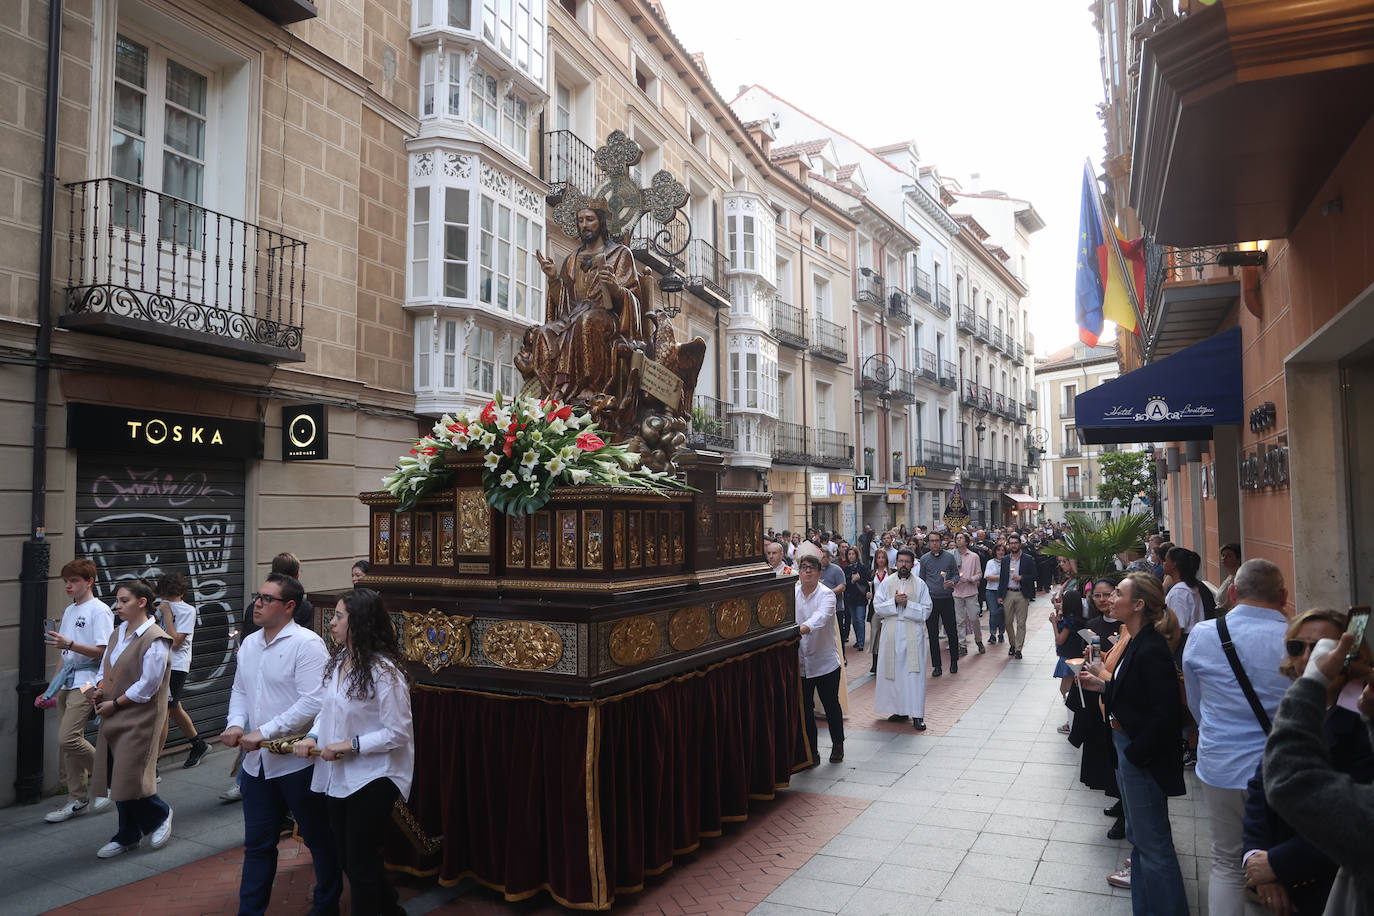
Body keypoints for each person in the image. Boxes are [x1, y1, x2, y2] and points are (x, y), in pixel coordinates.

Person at [221, 573, 342, 916]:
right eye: (257, 596)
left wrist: (266, 732)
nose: (257, 604)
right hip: (256, 766)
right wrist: (235, 723)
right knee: (258, 844)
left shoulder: (306, 644)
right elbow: (240, 690)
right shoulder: (250, 643)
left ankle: (326, 905)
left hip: (296, 764)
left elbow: (312, 701)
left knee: (319, 840)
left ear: (289, 607)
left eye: (266, 599)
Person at [1241, 609, 1373, 916]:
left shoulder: (1363, 722)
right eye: (1297, 647)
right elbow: (1261, 786)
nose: (1309, 656)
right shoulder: (1296, 707)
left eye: (1322, 647)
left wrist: (1279, 866)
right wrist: (1256, 858)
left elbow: (1356, 816)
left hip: (1329, 886)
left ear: (1348, 653)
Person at [1182, 559, 1292, 916]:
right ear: (1284, 597)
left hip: (1223, 765)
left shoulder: (1204, 634)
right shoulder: (1299, 640)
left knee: (1227, 862)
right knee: (1289, 861)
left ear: (1231, 593)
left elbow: (1196, 703)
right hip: (1285, 769)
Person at [295, 589, 414, 916]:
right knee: (349, 858)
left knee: (360, 862)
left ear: (359, 622)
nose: (331, 623)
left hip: (377, 774)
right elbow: (326, 710)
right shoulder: (339, 662)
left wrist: (351, 745)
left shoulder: (384, 671)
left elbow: (398, 732)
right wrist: (314, 736)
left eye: (338, 616)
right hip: (341, 775)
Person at [1078, 573, 1188, 914]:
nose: (1111, 599)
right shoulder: (1135, 641)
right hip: (1127, 745)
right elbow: (1132, 692)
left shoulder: (1151, 647)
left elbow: (1165, 712)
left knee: (1153, 845)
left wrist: (1136, 755)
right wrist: (1103, 686)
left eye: (1119, 594)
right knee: (1141, 841)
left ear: (1138, 605)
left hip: (1140, 753)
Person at [90, 580, 174, 858]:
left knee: (129, 775)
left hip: (141, 717)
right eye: (118, 600)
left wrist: (115, 703)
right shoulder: (118, 633)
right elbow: (107, 668)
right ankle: (127, 834)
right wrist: (100, 690)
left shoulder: (156, 639)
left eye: (124, 600)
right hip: (114, 712)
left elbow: (148, 686)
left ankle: (160, 814)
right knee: (117, 774)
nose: (118, 606)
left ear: (141, 603)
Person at [41, 558, 115, 822]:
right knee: (68, 746)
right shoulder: (71, 610)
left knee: (68, 738)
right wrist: (52, 689)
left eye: (74, 581)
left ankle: (109, 779)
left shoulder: (100, 610)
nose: (68, 586)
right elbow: (64, 653)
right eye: (66, 581)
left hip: (87, 680)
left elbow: (104, 652)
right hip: (68, 680)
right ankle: (76, 799)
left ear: (89, 582)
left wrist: (70, 643)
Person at [872, 549, 931, 731]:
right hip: (891, 631)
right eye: (900, 561)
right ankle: (899, 710)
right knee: (894, 673)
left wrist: (908, 604)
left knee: (914, 674)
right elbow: (877, 606)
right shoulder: (887, 583)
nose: (903, 565)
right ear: (895, 563)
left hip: (913, 632)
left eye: (907, 562)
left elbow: (927, 609)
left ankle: (917, 714)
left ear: (912, 565)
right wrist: (894, 602)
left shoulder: (920, 584)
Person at [794, 552, 844, 764]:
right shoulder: (793, 593)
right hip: (801, 663)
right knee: (805, 710)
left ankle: (838, 745)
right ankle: (811, 752)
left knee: (831, 705)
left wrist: (801, 629)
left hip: (825, 663)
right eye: (803, 567)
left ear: (819, 573)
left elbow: (821, 618)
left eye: (811, 568)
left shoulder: (827, 595)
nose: (807, 571)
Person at [155, 574, 210, 768]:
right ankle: (198, 744)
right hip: (160, 663)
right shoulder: (160, 606)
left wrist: (168, 616)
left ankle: (153, 764)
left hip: (176, 665)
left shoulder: (187, 611)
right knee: (173, 707)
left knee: (164, 712)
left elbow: (176, 643)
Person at [918, 532, 960, 677]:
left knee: (951, 631)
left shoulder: (949, 557)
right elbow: (921, 580)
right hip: (931, 600)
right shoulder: (924, 559)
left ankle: (954, 661)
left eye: (937, 541)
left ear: (941, 542)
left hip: (947, 598)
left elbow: (955, 573)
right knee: (932, 633)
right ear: (928, 543)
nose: (934, 543)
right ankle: (937, 665)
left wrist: (952, 581)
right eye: (932, 541)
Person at [997, 533, 1038, 659]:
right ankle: (1013, 644)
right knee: (1008, 622)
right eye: (1011, 543)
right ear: (1008, 545)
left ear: (1020, 544)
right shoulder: (1005, 560)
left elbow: (1035, 576)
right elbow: (1002, 579)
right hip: (1008, 593)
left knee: (1021, 622)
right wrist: (1000, 595)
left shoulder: (1027, 559)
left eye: (1016, 543)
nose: (1014, 545)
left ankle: (1018, 648)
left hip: (1021, 593)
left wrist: (1022, 578)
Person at [1165, 547, 1212, 647]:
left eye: (1166, 560)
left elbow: (1177, 630)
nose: (1163, 563)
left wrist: (1168, 656)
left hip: (1182, 645)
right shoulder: (1189, 587)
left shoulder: (1179, 592)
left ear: (1174, 564)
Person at [951, 532, 984, 656]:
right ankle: (962, 644)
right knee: (959, 620)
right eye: (957, 538)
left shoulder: (974, 556)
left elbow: (979, 573)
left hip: (970, 591)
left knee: (974, 618)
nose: (958, 540)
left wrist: (970, 579)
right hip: (957, 592)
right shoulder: (951, 556)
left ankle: (978, 640)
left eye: (961, 538)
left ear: (966, 541)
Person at [868, 548, 892, 675]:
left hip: (889, 606)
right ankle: (875, 662)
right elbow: (868, 587)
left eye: (883, 557)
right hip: (876, 607)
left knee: (887, 634)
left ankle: (887, 661)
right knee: (875, 633)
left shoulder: (891, 573)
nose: (881, 560)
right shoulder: (872, 574)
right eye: (879, 557)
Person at [841, 546, 869, 651]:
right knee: (855, 621)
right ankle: (858, 639)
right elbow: (844, 583)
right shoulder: (846, 569)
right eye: (849, 554)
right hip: (850, 598)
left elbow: (867, 581)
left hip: (861, 597)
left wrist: (859, 579)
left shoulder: (862, 567)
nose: (851, 556)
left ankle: (861, 642)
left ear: (857, 555)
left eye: (853, 554)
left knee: (860, 619)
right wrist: (852, 580)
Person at [984, 543, 1007, 644]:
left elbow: (1011, 576)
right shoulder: (990, 562)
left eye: (1002, 550)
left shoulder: (1008, 562)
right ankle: (992, 634)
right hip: (991, 591)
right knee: (993, 612)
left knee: (1002, 613)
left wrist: (996, 577)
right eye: (999, 550)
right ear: (995, 551)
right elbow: (988, 577)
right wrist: (1003, 577)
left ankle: (1001, 633)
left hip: (1003, 591)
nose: (1001, 552)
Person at [1216, 543, 1242, 615]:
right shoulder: (1229, 576)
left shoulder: (1238, 579)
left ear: (1238, 559)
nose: (1224, 558)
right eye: (1223, 555)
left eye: (1229, 556)